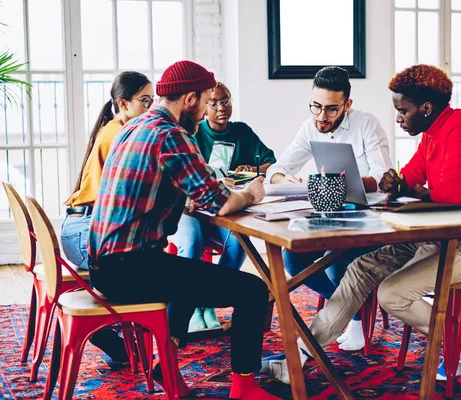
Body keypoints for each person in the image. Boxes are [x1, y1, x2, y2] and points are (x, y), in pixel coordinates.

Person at [261, 64, 461, 384]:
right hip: (439, 237)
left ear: (426, 108)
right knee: (359, 270)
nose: (397, 118)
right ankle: (299, 355)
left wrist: (408, 188)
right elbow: (405, 179)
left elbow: (451, 194)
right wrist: (398, 183)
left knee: (391, 294)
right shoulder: (431, 135)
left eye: (402, 111)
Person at [87, 60, 279, 400]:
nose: (207, 109)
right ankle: (244, 388)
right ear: (190, 99)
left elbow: (165, 187)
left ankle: (169, 370)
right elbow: (218, 201)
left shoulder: (134, 126)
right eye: (206, 100)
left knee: (187, 277)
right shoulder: (172, 134)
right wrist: (251, 193)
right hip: (130, 269)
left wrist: (184, 198)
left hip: (103, 265)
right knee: (253, 290)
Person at [265, 66, 393, 351]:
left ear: (347, 104)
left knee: (338, 266)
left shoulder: (367, 124)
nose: (322, 116)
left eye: (331, 109)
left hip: (366, 217)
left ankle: (355, 320)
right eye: (316, 107)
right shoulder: (309, 127)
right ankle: (351, 309)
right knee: (293, 260)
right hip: (328, 215)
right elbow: (277, 168)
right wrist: (283, 178)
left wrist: (348, 183)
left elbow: (385, 177)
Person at [60, 71, 154, 363]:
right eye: (144, 101)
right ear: (123, 104)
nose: (150, 108)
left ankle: (123, 334)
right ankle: (104, 328)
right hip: (84, 231)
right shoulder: (120, 133)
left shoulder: (115, 127)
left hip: (80, 226)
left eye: (153, 101)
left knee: (145, 266)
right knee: (143, 274)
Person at [169, 81, 276, 332]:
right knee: (192, 243)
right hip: (191, 209)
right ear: (203, 107)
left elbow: (272, 163)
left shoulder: (242, 131)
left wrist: (252, 170)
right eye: (213, 102)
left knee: (240, 241)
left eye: (225, 100)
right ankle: (192, 305)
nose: (221, 107)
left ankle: (208, 299)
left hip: (225, 207)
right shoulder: (193, 133)